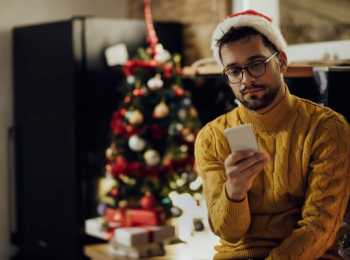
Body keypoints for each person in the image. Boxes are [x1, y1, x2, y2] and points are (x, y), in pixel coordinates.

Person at [194, 9, 350, 260]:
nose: (246, 80)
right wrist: (234, 191)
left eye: (256, 64)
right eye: (234, 71)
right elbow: (229, 234)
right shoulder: (212, 137)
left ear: (282, 62)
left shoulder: (327, 128)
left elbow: (319, 228)